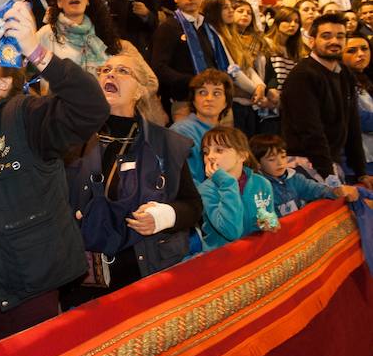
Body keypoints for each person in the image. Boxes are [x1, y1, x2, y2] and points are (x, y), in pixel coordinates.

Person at [0, 2, 108, 346]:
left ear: (4, 84)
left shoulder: (26, 115)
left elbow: (91, 106)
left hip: (25, 283)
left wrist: (36, 51)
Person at [65, 52, 203, 305]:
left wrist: (162, 217)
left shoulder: (165, 144)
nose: (110, 74)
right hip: (81, 281)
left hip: (143, 274)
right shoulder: (70, 137)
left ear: (140, 91)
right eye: (104, 70)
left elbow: (193, 207)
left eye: (122, 71)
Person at [280, 13, 373, 187]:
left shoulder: (344, 72)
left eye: (340, 36)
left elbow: (352, 125)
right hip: (304, 164)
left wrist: (361, 173)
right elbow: (310, 131)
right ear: (312, 40)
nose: (335, 41)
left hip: (332, 163)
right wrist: (329, 176)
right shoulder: (302, 76)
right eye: (326, 36)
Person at [151, 0, 222, 122]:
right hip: (184, 101)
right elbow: (159, 67)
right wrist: (192, 81)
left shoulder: (209, 26)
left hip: (215, 99)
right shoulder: (168, 27)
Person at [198, 127, 277, 251]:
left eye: (219, 150)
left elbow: (270, 220)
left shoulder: (261, 183)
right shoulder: (207, 189)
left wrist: (268, 223)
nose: (210, 156)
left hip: (254, 252)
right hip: (223, 257)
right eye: (206, 152)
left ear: (242, 155)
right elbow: (231, 231)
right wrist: (227, 183)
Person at [37, 0, 124, 79]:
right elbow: (24, 69)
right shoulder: (46, 34)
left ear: (87, 0)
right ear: (59, 2)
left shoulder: (102, 32)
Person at [203, 0, 268, 135]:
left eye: (231, 7)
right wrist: (255, 90)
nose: (231, 11)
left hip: (248, 101)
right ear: (215, 12)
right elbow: (231, 69)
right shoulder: (214, 35)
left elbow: (246, 66)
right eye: (226, 8)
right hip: (234, 101)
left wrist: (260, 86)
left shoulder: (233, 36)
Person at [250, 134, 357, 218]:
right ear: (258, 163)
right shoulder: (256, 187)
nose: (280, 163)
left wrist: (335, 191)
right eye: (271, 159)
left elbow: (316, 190)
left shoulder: (295, 178)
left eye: (283, 157)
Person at [171, 69, 233, 184]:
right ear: (194, 100)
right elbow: (185, 182)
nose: (209, 98)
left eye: (217, 93)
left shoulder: (228, 135)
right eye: (202, 92)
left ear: (226, 102)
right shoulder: (180, 131)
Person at [342, 34, 373, 179]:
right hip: (353, 163)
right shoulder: (339, 80)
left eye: (364, 49)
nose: (360, 54)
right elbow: (358, 119)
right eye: (352, 50)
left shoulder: (364, 79)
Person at [265, 6, 304, 91]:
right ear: (278, 22)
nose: (293, 25)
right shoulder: (265, 43)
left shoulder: (295, 49)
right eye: (288, 20)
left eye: (296, 21)